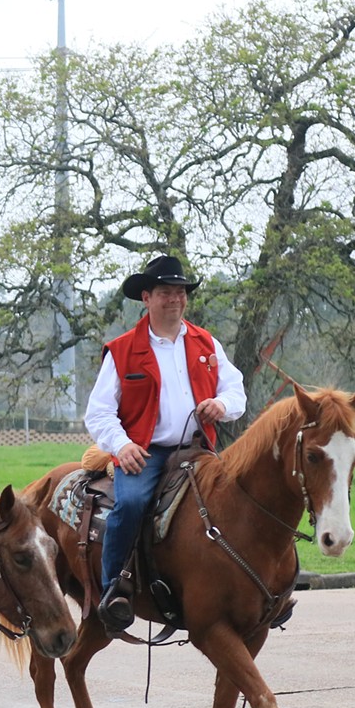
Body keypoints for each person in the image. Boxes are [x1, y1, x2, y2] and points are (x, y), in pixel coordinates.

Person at [84, 255, 246, 636]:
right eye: (165, 293)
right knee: (132, 503)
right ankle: (115, 589)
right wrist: (122, 446)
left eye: (180, 292)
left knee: (241, 497)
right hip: (146, 453)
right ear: (147, 297)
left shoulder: (206, 343)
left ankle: (256, 585)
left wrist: (222, 405)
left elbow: (235, 389)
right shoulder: (123, 350)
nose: (174, 299)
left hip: (199, 448)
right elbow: (98, 413)